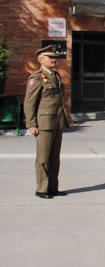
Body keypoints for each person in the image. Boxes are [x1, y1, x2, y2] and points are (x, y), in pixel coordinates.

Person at [24, 45, 72, 199]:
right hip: (44, 123)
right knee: (43, 158)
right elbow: (29, 102)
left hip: (57, 122)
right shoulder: (36, 77)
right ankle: (41, 189)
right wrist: (31, 124)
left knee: (54, 158)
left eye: (54, 57)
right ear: (41, 60)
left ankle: (52, 187)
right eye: (50, 57)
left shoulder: (56, 76)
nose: (53, 59)